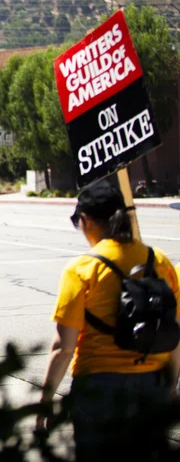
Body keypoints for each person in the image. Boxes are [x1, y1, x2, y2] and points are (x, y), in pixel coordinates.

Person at [36, 181, 180, 460]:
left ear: (87, 221)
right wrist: (171, 385)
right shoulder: (161, 262)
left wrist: (45, 401)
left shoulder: (82, 270)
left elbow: (64, 348)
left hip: (99, 387)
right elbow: (174, 334)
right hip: (153, 385)